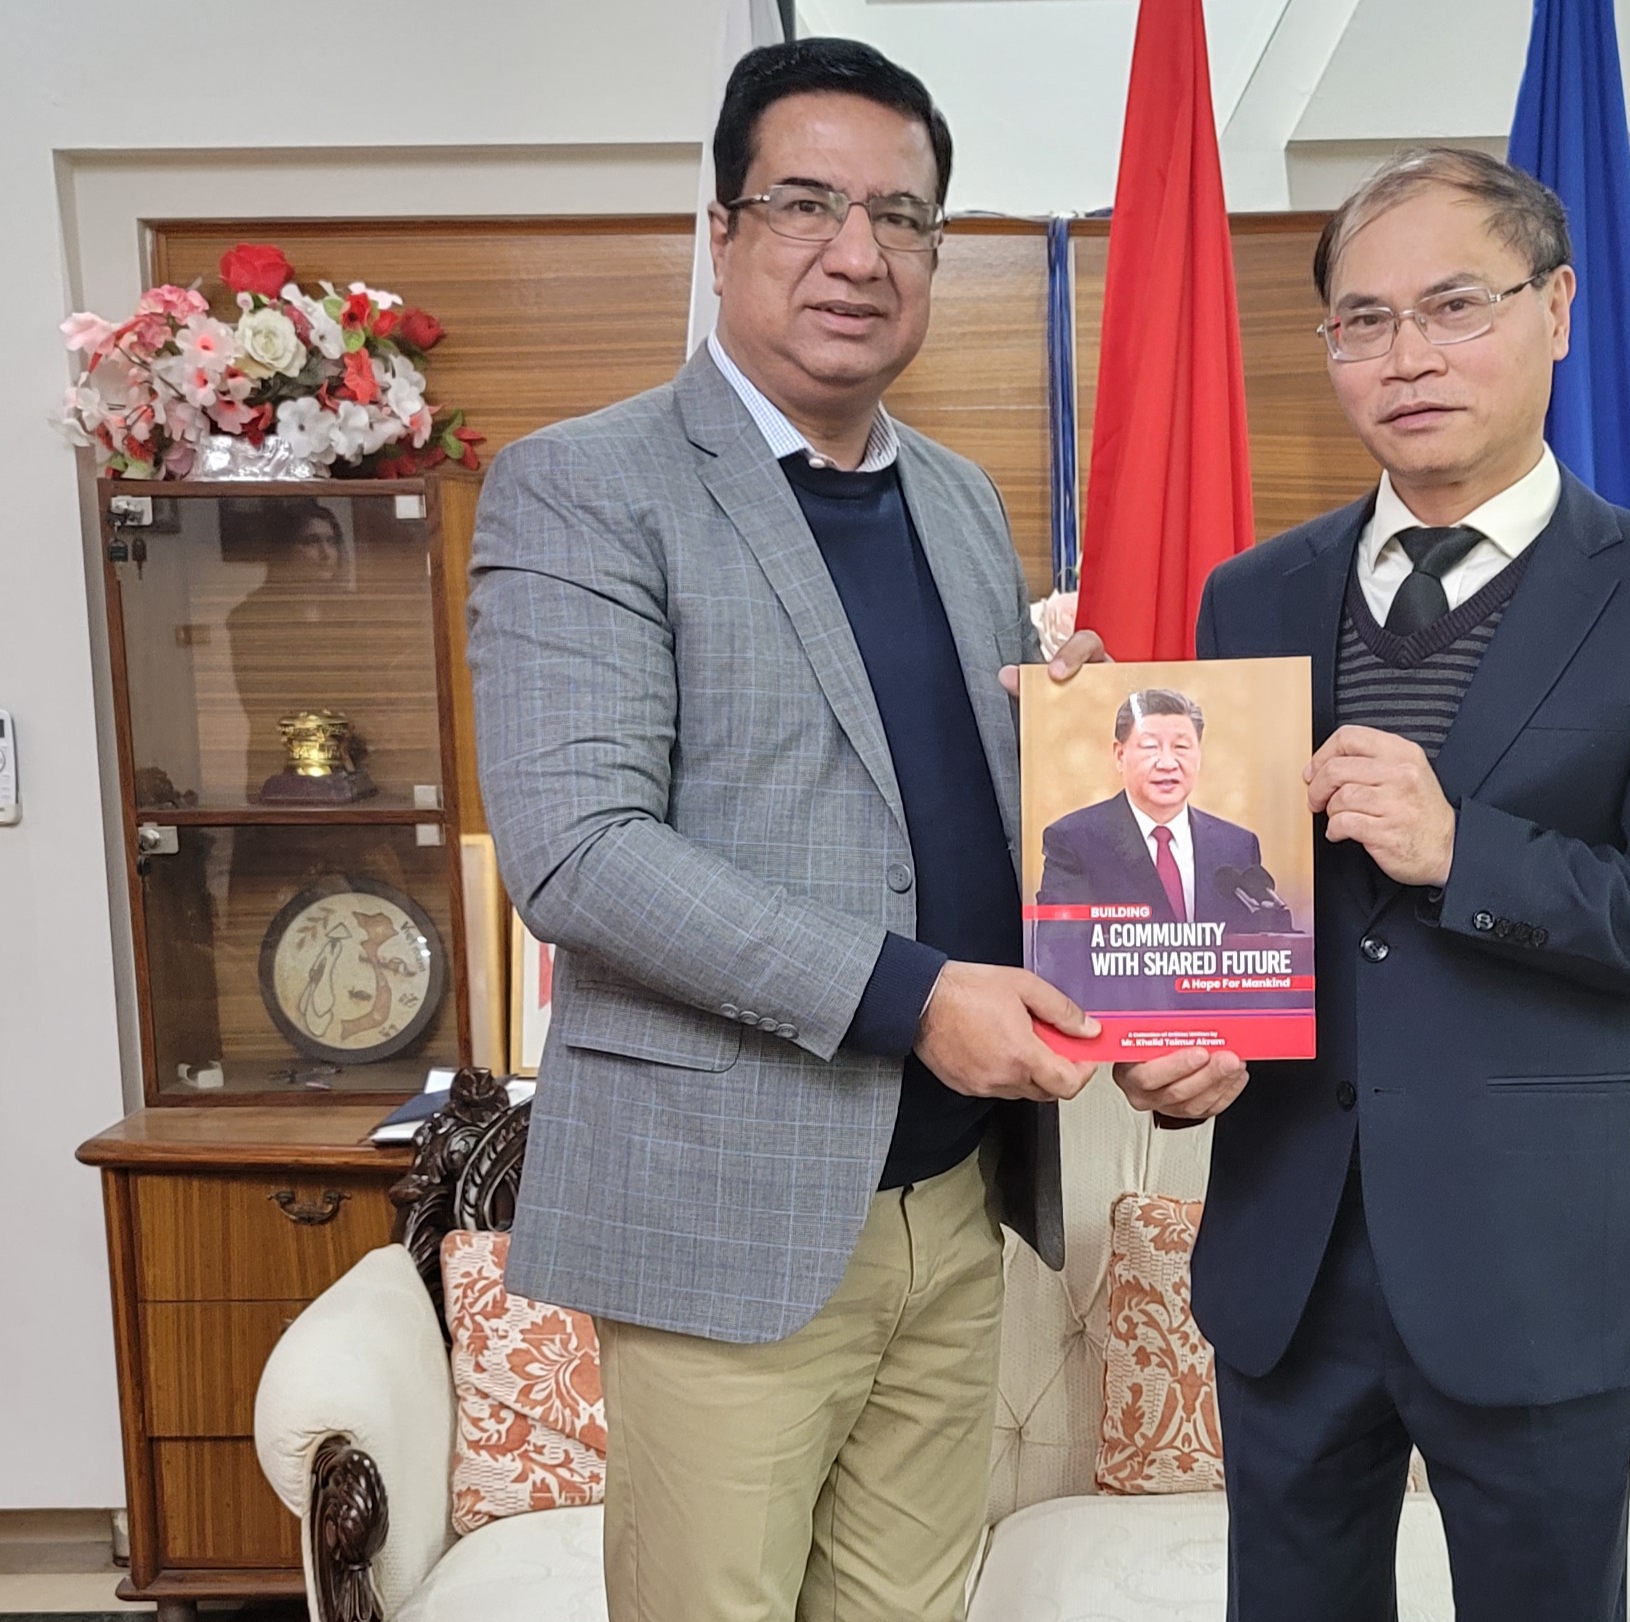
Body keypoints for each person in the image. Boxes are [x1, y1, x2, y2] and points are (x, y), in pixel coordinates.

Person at [466, 38, 1121, 1622]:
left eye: (902, 216)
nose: (858, 252)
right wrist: (916, 995)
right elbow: (578, 851)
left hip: (955, 1197)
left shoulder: (959, 499)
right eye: (808, 203)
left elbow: (939, 804)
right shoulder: (585, 487)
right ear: (721, 228)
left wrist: (1075, 754)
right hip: (726, 1211)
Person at [1111, 146, 1630, 1622]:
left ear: (1555, 309)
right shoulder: (1251, 594)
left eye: (1453, 305)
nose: (1407, 356)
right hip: (1289, 1253)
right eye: (1363, 320)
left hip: (1537, 1264)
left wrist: (1461, 849)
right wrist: (1172, 1038)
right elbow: (1227, 899)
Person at [1036, 688, 1283, 928]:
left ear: (1199, 756)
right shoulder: (1074, 842)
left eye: (1181, 747)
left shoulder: (1237, 846)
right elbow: (1061, 949)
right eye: (1150, 747)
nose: (1167, 763)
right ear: (1120, 755)